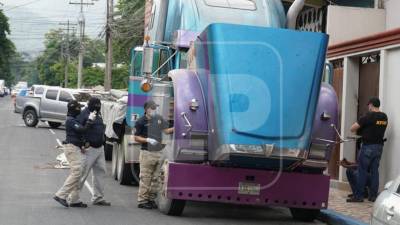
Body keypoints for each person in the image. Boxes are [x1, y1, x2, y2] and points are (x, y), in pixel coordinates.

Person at [54, 100, 96, 208]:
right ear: (74, 108)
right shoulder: (71, 120)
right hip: (72, 148)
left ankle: (74, 199)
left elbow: (78, 135)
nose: (80, 110)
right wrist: (90, 120)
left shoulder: (74, 119)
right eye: (79, 108)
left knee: (79, 174)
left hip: (76, 148)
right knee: (77, 173)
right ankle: (61, 195)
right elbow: (82, 129)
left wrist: (83, 144)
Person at [347, 97, 388, 203]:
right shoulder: (384, 117)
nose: (368, 107)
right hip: (379, 147)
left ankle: (358, 196)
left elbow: (352, 128)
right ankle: (373, 196)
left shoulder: (367, 116)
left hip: (368, 147)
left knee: (362, 171)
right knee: (375, 172)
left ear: (371, 105)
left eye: (368, 105)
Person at [134, 100, 173, 209]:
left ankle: (151, 199)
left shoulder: (159, 118)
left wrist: (176, 128)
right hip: (147, 153)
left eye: (155, 108)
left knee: (156, 178)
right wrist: (147, 140)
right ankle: (142, 200)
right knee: (146, 177)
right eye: (153, 108)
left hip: (159, 152)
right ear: (147, 109)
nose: (155, 110)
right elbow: (136, 137)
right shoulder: (141, 121)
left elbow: (166, 130)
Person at [77, 97, 111, 206]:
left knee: (101, 173)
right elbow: (78, 129)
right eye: (95, 105)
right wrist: (81, 144)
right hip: (88, 148)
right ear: (89, 104)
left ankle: (98, 197)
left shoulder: (98, 113)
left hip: (100, 148)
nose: (97, 107)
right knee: (82, 173)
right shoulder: (84, 114)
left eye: (99, 105)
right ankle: (73, 197)